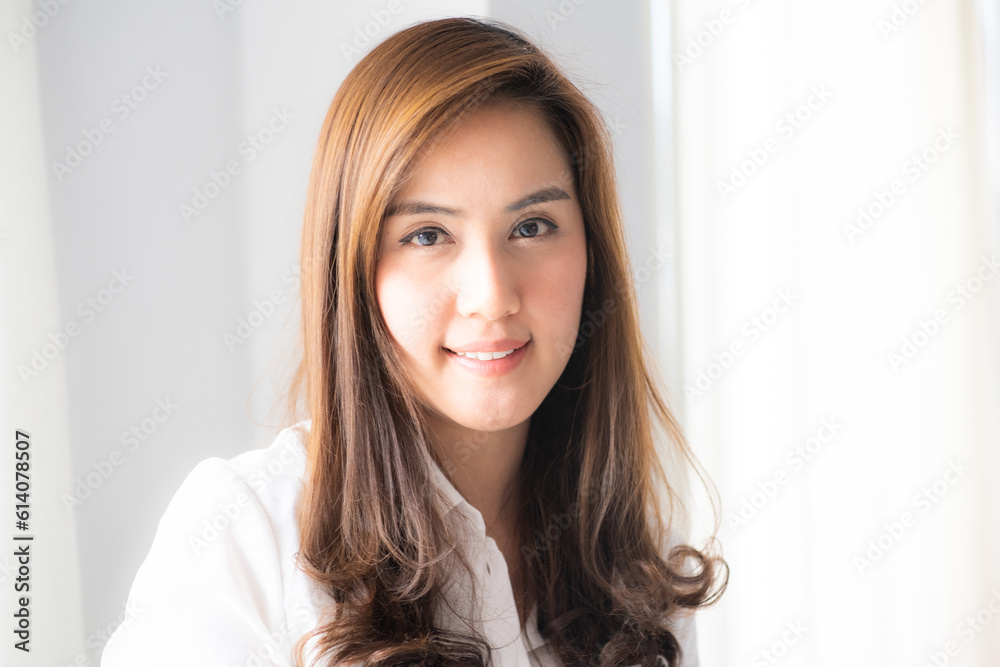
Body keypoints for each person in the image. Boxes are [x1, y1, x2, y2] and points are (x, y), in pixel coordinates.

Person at [101, 16, 727, 667]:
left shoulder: (637, 567)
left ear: (592, 251)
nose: (491, 294)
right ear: (356, 268)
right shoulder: (245, 536)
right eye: (428, 235)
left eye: (533, 225)